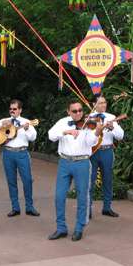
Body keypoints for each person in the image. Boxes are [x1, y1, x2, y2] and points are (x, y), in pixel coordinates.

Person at [47, 100, 103, 242]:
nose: (78, 113)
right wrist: (66, 131)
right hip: (64, 162)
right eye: (74, 111)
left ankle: (79, 228)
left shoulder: (88, 124)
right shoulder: (63, 122)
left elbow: (92, 143)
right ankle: (61, 228)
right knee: (59, 195)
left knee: (82, 196)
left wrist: (97, 131)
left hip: (82, 162)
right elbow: (51, 135)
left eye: (80, 110)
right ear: (68, 112)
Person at [0, 99, 40, 217]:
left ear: (20, 110)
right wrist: (1, 124)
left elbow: (33, 138)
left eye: (15, 109)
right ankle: (15, 207)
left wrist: (27, 128)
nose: (12, 111)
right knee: (11, 181)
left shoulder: (27, 122)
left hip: (22, 153)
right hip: (7, 153)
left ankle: (29, 207)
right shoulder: (4, 120)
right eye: (11, 109)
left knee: (27, 180)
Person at [89, 95, 124, 218]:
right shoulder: (88, 117)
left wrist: (112, 127)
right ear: (94, 104)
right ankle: (88, 209)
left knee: (108, 179)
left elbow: (120, 136)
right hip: (92, 152)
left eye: (105, 102)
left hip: (107, 151)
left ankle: (107, 207)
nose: (103, 105)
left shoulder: (111, 117)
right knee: (90, 180)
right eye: (100, 103)